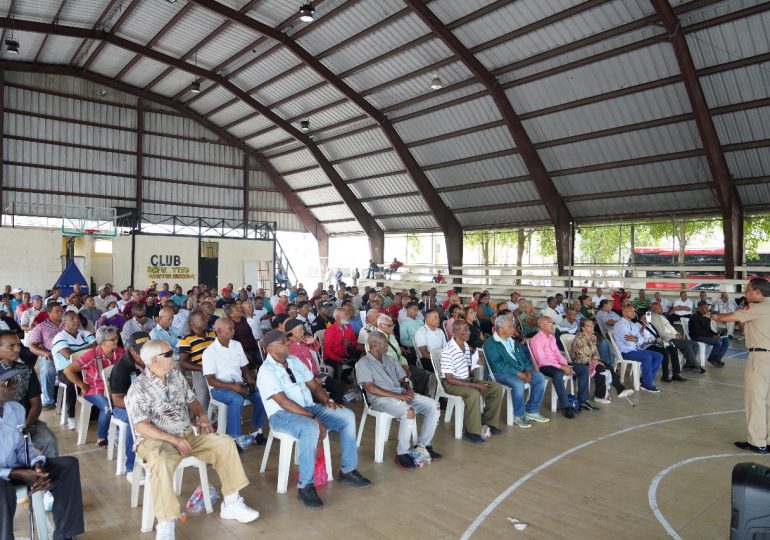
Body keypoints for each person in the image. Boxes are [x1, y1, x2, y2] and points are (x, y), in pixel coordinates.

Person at [127, 339, 259, 539]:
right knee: (161, 463)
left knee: (224, 443)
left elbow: (193, 401)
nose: (174, 356)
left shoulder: (175, 376)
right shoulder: (139, 388)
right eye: (169, 354)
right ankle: (166, 522)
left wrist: (203, 416)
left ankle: (231, 502)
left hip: (186, 434)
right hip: (155, 440)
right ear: (154, 360)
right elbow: (141, 426)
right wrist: (172, 439)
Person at [257, 329, 371, 508]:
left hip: (308, 407)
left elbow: (314, 386)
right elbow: (284, 403)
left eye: (287, 341)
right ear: (270, 347)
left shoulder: (294, 361)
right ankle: (305, 486)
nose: (288, 344)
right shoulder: (266, 371)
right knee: (310, 428)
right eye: (283, 342)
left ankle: (348, 470)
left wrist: (327, 401)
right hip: (282, 415)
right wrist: (313, 417)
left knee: (347, 416)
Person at [0, 365, 85, 540]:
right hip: (5, 476)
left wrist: (36, 466)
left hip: (17, 468)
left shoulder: (15, 409)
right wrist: (18, 473)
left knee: (68, 466)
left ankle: (64, 535)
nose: (14, 386)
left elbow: (24, 446)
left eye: (13, 381)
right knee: (2, 491)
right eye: (7, 383)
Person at [358, 332, 441, 469]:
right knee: (408, 412)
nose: (387, 346)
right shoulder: (363, 363)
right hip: (380, 399)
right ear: (373, 344)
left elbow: (402, 380)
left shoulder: (390, 359)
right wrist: (398, 396)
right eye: (385, 343)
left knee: (434, 406)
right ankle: (402, 453)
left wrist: (408, 389)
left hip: (400, 394)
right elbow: (370, 387)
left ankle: (422, 446)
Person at [711, 279, 770, 454]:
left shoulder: (758, 308)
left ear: (758, 293)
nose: (745, 293)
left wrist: (712, 315)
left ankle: (757, 442)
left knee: (756, 401)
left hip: (761, 358)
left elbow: (725, 318)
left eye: (748, 290)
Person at [202, 318, 266, 448]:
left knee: (260, 395)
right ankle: (235, 438)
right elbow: (211, 380)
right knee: (236, 399)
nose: (233, 331)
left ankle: (256, 430)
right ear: (219, 331)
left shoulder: (236, 345)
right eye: (230, 329)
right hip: (219, 388)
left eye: (233, 328)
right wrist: (233, 387)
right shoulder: (209, 352)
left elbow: (244, 366)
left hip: (238, 384)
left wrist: (250, 379)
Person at [440, 319, 504, 443]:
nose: (469, 332)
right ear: (456, 332)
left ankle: (489, 422)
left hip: (465, 379)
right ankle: (471, 431)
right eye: (465, 329)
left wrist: (476, 362)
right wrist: (474, 385)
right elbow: (449, 379)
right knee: (473, 394)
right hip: (451, 384)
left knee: (496, 387)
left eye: (468, 329)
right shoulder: (448, 350)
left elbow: (468, 371)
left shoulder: (465, 346)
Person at [0, 330, 59, 457]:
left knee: (49, 440)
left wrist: (25, 426)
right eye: (11, 346)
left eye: (18, 345)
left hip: (24, 421)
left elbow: (36, 404)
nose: (17, 349)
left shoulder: (26, 370)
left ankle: (51, 474)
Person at [483, 316, 548, 428]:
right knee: (518, 384)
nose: (513, 328)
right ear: (501, 328)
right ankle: (518, 415)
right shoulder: (490, 344)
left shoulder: (513, 341)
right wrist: (518, 373)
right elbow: (498, 364)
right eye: (510, 326)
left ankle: (532, 411)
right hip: (499, 373)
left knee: (540, 378)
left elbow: (524, 358)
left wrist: (527, 370)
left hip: (519, 370)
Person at [63, 325, 123, 449]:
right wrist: (82, 385)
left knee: (125, 402)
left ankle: (119, 431)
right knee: (107, 407)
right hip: (95, 389)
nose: (116, 341)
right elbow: (68, 370)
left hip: (114, 389)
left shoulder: (120, 353)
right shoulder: (91, 355)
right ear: (102, 342)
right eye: (113, 339)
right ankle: (102, 436)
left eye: (116, 338)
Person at [530, 317, 593, 417]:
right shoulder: (536, 339)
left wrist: (565, 364)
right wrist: (562, 367)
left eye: (552, 323)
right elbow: (542, 361)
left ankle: (582, 400)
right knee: (558, 374)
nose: (552, 325)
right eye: (549, 323)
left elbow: (558, 354)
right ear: (541, 325)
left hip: (557, 364)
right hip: (545, 366)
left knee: (583, 369)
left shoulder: (552, 337)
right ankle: (565, 406)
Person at [109, 331, 148, 482]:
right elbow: (117, 400)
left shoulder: (153, 362)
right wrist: (139, 406)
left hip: (145, 404)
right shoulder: (122, 367)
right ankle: (131, 467)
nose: (145, 356)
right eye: (141, 353)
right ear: (131, 351)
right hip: (123, 407)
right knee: (135, 421)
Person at [51, 311, 96, 429]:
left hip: (87, 368)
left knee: (99, 380)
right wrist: (89, 350)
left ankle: (94, 412)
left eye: (77, 318)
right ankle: (71, 416)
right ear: (64, 322)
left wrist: (84, 352)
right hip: (66, 370)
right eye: (72, 318)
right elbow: (69, 355)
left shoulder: (85, 333)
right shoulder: (59, 337)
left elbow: (97, 347)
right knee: (72, 384)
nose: (76, 320)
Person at [571, 319, 633, 403]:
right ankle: (599, 396)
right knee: (600, 368)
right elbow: (580, 355)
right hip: (581, 362)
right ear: (583, 328)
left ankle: (620, 390)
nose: (592, 327)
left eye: (592, 325)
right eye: (588, 325)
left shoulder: (592, 336)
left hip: (592, 361)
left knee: (607, 366)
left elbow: (595, 352)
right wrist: (593, 361)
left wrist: (596, 359)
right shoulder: (579, 338)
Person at [285, 318, 346, 403]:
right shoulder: (286, 348)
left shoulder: (304, 341)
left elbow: (316, 348)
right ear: (290, 332)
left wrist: (313, 341)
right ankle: (325, 408)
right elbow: (292, 370)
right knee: (316, 397)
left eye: (303, 329)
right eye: (300, 330)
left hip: (316, 374)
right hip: (303, 380)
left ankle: (332, 406)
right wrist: (312, 379)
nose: (303, 331)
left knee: (339, 386)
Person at [613, 305, 664, 393]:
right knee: (647, 356)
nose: (634, 313)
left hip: (636, 350)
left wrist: (635, 339)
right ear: (624, 312)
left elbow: (641, 340)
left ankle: (645, 380)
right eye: (631, 311)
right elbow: (628, 342)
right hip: (626, 352)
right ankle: (647, 384)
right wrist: (636, 339)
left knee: (659, 356)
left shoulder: (632, 324)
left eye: (634, 311)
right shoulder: (620, 325)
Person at [27, 302, 64, 411]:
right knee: (47, 368)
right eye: (57, 311)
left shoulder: (68, 323)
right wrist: (44, 353)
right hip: (51, 355)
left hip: (69, 354)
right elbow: (32, 346)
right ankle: (48, 400)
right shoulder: (41, 327)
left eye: (61, 310)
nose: (61, 312)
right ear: (49, 313)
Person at [650, 302, 703, 375]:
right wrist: (675, 336)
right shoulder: (653, 317)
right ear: (655, 309)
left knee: (695, 344)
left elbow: (670, 327)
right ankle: (695, 366)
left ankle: (689, 365)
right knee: (687, 345)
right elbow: (661, 333)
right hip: (667, 339)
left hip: (674, 335)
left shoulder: (661, 316)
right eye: (661, 308)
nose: (663, 309)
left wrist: (677, 333)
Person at [689, 301, 730, 367]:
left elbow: (709, 330)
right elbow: (698, 331)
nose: (707, 309)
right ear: (699, 308)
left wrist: (719, 334)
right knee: (718, 343)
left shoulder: (706, 317)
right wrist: (713, 336)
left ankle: (717, 359)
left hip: (706, 335)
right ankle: (711, 359)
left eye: (707, 307)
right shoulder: (695, 317)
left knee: (725, 339)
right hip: (697, 336)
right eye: (705, 307)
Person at [322, 307, 359, 380]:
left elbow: (355, 341)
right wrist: (339, 359)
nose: (348, 316)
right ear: (338, 317)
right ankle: (338, 387)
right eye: (346, 315)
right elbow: (328, 351)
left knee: (358, 360)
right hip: (331, 357)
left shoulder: (348, 327)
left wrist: (350, 342)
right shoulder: (331, 330)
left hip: (344, 354)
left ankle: (356, 383)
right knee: (338, 367)